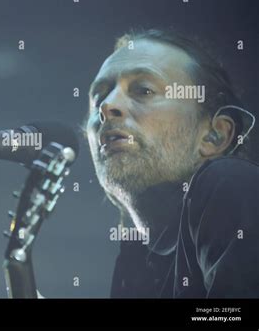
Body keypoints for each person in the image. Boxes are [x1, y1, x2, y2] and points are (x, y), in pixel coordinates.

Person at [85, 29, 258, 298]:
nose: (107, 106)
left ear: (215, 136)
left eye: (144, 90)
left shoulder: (230, 181)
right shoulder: (135, 261)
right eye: (99, 97)